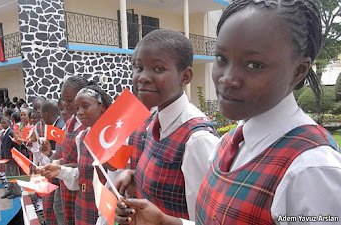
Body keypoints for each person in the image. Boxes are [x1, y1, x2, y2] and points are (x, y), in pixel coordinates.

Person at [115, 1, 341, 225]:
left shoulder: (311, 171)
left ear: (298, 71)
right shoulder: (229, 143)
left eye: (254, 65)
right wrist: (165, 222)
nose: (227, 78)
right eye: (222, 59)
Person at [113, 28, 219, 221]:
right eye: (138, 67)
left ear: (185, 77)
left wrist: (164, 221)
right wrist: (132, 175)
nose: (143, 77)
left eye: (159, 69)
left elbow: (208, 220)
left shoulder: (197, 139)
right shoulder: (155, 124)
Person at [42, 85, 113, 225]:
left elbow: (114, 186)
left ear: (102, 107)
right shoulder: (82, 137)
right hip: (83, 207)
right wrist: (61, 171)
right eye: (78, 107)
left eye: (85, 106)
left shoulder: (113, 139)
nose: (79, 112)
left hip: (104, 211)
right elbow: (82, 176)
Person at [39, 76, 89, 225]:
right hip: (64, 187)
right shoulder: (69, 125)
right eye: (63, 100)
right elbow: (64, 157)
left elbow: (84, 166)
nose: (65, 105)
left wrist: (60, 168)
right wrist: (50, 154)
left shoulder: (88, 128)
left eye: (69, 100)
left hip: (80, 191)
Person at [0, 116, 21, 199]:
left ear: (9, 123)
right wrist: (1, 154)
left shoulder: (11, 133)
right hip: (6, 158)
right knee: (8, 174)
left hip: (12, 158)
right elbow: (2, 146)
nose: (3, 124)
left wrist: (15, 156)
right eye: (2, 123)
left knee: (14, 175)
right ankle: (10, 190)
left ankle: (17, 191)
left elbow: (16, 146)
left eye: (4, 123)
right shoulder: (3, 133)